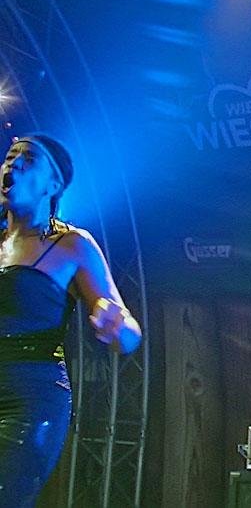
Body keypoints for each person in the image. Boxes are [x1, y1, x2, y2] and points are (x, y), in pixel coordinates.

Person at [0, 134, 142, 506]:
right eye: (9, 156)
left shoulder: (71, 244)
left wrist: (116, 326)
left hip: (28, 399)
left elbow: (129, 334)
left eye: (28, 158)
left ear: (53, 184)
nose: (12, 163)